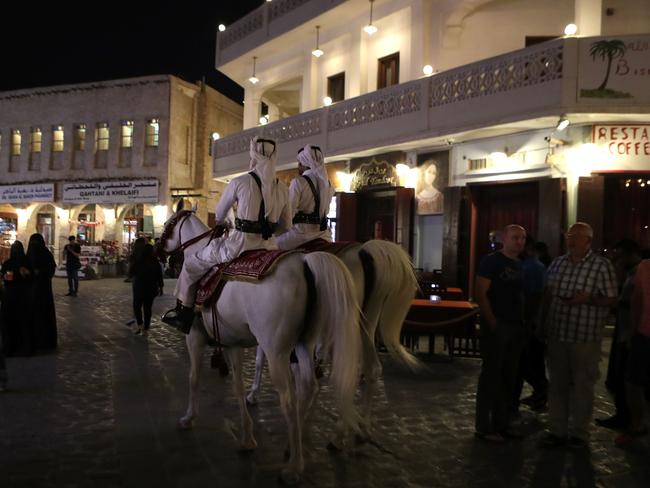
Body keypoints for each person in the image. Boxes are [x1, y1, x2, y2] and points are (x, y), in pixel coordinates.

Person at [164, 137, 291, 333]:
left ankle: (184, 314)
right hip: (270, 247)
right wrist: (268, 235)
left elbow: (220, 214)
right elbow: (287, 225)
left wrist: (227, 223)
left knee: (190, 264)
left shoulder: (240, 181)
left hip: (239, 246)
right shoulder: (283, 188)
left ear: (253, 155)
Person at [540, 222, 617, 449]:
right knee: (557, 384)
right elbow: (548, 294)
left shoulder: (601, 266)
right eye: (569, 236)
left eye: (577, 237)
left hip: (585, 336)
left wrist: (589, 299)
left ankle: (579, 434)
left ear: (589, 241)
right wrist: (541, 322)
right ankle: (556, 430)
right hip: (557, 333)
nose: (571, 240)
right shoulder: (557, 263)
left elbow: (612, 299)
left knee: (583, 386)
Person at [474, 224, 527, 443]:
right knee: (491, 376)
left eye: (523, 238)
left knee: (508, 376)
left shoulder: (520, 265)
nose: (520, 241)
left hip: (516, 325)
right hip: (498, 325)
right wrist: (493, 322)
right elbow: (480, 292)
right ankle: (484, 426)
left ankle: (501, 423)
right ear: (504, 239)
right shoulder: (491, 262)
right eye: (515, 237)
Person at [596, 239, 642, 430]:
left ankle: (629, 419)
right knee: (621, 377)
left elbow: (634, 303)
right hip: (624, 331)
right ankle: (624, 416)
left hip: (631, 332)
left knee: (627, 379)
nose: (617, 260)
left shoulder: (640, 272)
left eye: (620, 255)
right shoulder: (631, 273)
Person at [615, 258, 650, 446]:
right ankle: (638, 424)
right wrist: (633, 330)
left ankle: (638, 424)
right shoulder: (644, 267)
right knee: (633, 383)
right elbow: (637, 300)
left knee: (635, 382)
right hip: (643, 334)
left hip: (642, 333)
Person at [513, 235, 548, 413]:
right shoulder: (527, 265)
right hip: (527, 321)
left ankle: (542, 390)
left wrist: (529, 321)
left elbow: (535, 297)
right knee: (529, 361)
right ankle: (538, 392)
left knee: (528, 361)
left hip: (529, 322)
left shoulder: (533, 267)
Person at [277, 144, 336, 250]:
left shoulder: (298, 182)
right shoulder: (329, 184)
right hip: (324, 235)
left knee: (272, 244)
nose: (298, 166)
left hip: (301, 235)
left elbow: (289, 212)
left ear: (303, 163)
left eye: (299, 163)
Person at [26, 233, 58, 352]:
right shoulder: (30, 255)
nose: (34, 246)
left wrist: (39, 273)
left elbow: (50, 270)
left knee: (43, 314)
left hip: (43, 290)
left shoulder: (46, 255)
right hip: (32, 291)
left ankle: (45, 341)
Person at [0, 241, 32, 356]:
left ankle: (10, 348)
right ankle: (25, 348)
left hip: (10, 297)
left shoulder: (8, 263)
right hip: (24, 297)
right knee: (23, 322)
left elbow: (7, 279)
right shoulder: (27, 263)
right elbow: (31, 279)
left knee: (9, 322)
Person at [131, 244, 164, 335]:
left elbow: (131, 272)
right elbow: (159, 276)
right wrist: (161, 287)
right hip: (151, 288)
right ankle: (146, 328)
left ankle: (140, 324)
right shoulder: (155, 261)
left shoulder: (138, 261)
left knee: (137, 307)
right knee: (147, 308)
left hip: (139, 288)